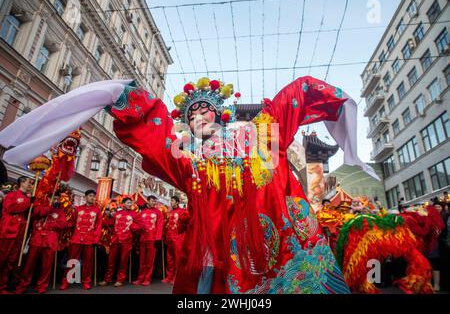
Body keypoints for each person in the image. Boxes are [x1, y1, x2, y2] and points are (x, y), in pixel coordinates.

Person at [0, 75, 378, 294]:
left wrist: (339, 113)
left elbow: (294, 96)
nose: (197, 115)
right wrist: (117, 96)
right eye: (191, 112)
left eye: (204, 109)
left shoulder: (261, 134)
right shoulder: (185, 157)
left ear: (221, 112)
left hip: (279, 253)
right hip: (216, 255)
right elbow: (151, 130)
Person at [15, 192, 67, 294]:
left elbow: (62, 224)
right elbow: (37, 214)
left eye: (57, 199)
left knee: (46, 266)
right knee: (29, 265)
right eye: (53, 198)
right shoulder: (41, 207)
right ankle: (22, 285)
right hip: (37, 239)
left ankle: (42, 286)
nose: (55, 201)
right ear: (47, 198)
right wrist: (48, 208)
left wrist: (48, 227)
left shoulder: (60, 212)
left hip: (50, 241)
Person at [59, 189, 102, 291]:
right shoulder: (78, 209)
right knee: (73, 260)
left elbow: (98, 226)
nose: (92, 198)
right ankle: (67, 281)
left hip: (89, 239)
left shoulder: (97, 210)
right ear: (86, 197)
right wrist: (64, 225)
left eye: (94, 196)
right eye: (90, 195)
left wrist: (95, 239)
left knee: (88, 262)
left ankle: (86, 281)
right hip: (77, 238)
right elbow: (73, 222)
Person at [0, 176, 33, 294]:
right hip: (7, 232)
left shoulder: (27, 198)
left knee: (11, 262)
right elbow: (10, 208)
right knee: (2, 259)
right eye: (29, 182)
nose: (31, 185)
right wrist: (28, 202)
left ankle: (3, 287)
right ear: (22, 183)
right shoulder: (12, 195)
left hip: (19, 235)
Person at [99, 197, 139, 287]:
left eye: (131, 203)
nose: (130, 204)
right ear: (123, 204)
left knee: (123, 261)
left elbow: (140, 225)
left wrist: (133, 227)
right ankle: (107, 279)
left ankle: (120, 279)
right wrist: (101, 220)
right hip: (115, 239)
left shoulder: (135, 214)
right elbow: (110, 223)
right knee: (111, 260)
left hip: (127, 241)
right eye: (128, 203)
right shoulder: (117, 214)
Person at [133, 195, 163, 286]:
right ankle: (140, 278)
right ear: (148, 201)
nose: (154, 203)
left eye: (155, 201)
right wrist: (140, 228)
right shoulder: (142, 212)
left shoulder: (158, 213)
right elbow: (135, 220)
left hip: (152, 239)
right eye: (152, 201)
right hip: (143, 239)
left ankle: (147, 278)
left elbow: (159, 226)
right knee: (142, 260)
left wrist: (158, 239)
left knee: (150, 260)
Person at [162, 196, 188, 285]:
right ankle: (169, 276)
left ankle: (177, 277)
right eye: (171, 200)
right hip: (169, 238)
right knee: (169, 259)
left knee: (178, 259)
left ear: (177, 202)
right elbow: (166, 225)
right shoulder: (170, 212)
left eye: (172, 201)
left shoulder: (183, 212)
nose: (171, 202)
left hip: (178, 239)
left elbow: (186, 223)